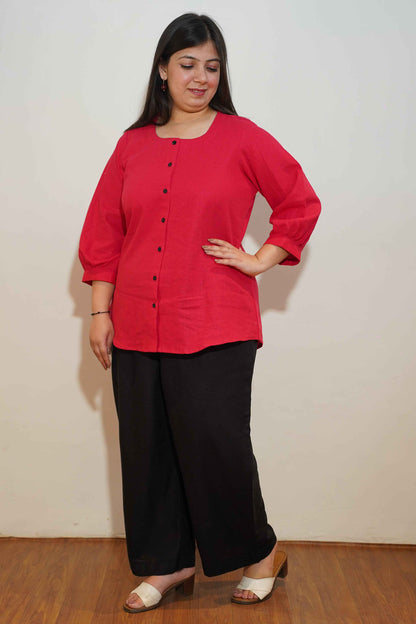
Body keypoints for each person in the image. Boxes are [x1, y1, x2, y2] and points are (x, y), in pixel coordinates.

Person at [79, 12, 320, 614]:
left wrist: (259, 259)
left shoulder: (242, 137)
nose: (201, 77)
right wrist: (100, 310)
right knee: (147, 448)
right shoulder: (132, 145)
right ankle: (168, 562)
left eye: (212, 67)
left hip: (215, 322)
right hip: (136, 323)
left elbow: (299, 201)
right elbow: (105, 230)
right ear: (163, 69)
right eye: (187, 64)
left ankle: (261, 555)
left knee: (217, 447)